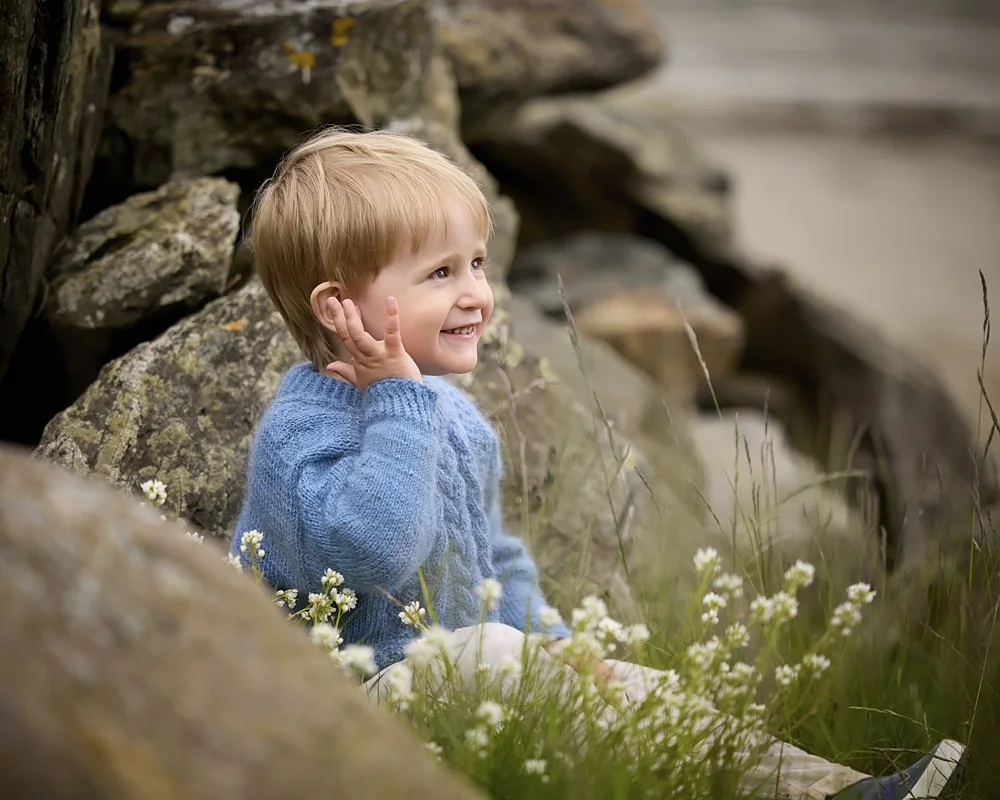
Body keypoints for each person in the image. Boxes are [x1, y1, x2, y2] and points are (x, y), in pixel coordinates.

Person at [230, 127, 964, 800]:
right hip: (349, 708)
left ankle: (834, 792)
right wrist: (397, 400)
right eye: (440, 273)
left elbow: (496, 564)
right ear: (338, 309)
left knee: (634, 685)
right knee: (486, 651)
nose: (477, 295)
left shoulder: (450, 417)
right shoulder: (301, 434)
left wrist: (555, 645)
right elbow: (370, 550)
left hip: (465, 682)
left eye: (478, 265)